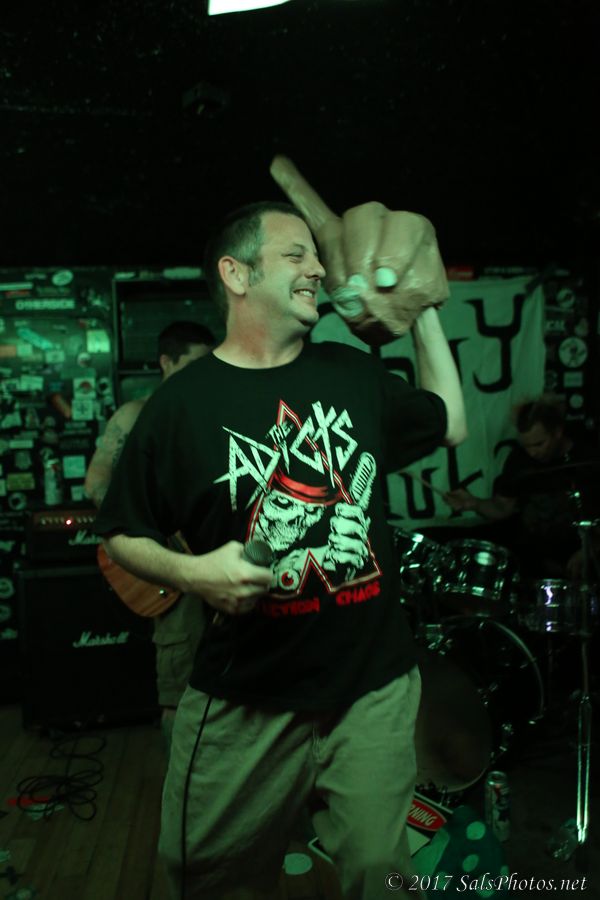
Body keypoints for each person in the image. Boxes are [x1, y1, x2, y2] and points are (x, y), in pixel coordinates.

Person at [93, 157, 467, 900]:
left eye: (315, 258)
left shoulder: (351, 374)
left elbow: (450, 423)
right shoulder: (179, 407)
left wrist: (421, 306)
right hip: (247, 699)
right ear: (237, 275)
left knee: (381, 876)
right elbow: (121, 533)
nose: (317, 270)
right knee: (204, 873)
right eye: (296, 255)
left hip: (371, 689)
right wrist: (195, 573)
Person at [85, 320, 215, 746]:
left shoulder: (209, 412)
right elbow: (96, 483)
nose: (203, 374)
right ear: (166, 362)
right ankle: (179, 783)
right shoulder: (135, 414)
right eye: (194, 364)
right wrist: (153, 533)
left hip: (220, 562)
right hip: (174, 570)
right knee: (179, 690)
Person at [445, 395, 600, 579]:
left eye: (539, 444)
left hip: (583, 560)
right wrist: (474, 503)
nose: (532, 452)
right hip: (535, 562)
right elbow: (503, 507)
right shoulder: (519, 460)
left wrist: (590, 548)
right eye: (526, 446)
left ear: (557, 432)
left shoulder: (587, 458)